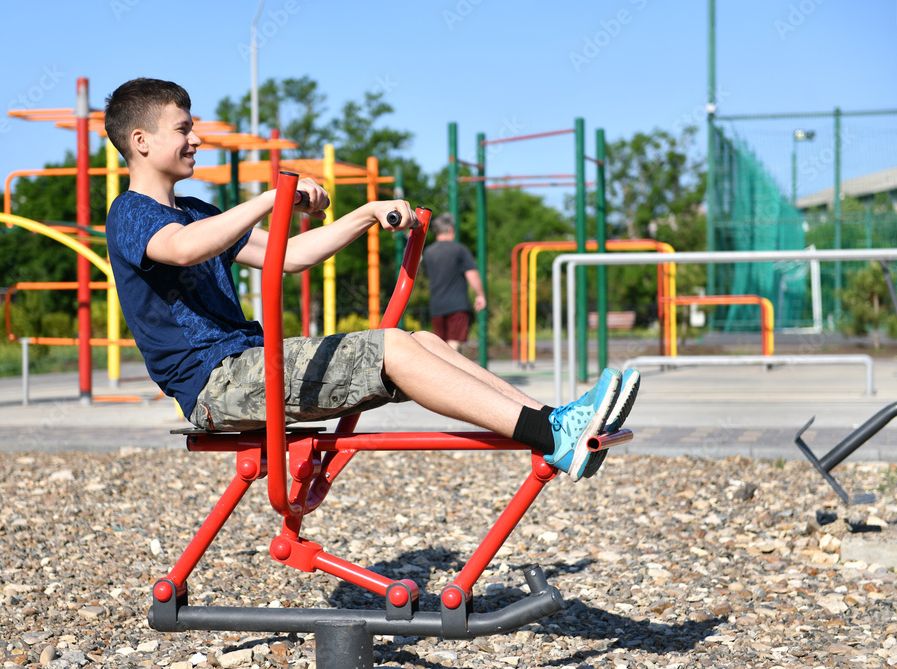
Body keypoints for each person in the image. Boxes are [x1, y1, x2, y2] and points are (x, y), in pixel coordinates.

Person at [103, 78, 640, 482]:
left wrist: (362, 215)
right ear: (141, 141)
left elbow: (288, 254)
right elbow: (180, 248)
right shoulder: (131, 213)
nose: (196, 138)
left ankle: (555, 421)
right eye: (183, 129)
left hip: (245, 365)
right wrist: (273, 197)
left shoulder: (199, 211)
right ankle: (555, 438)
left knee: (421, 341)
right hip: (213, 384)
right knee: (389, 348)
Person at [421, 212, 485, 352]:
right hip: (457, 305)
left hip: (436, 305)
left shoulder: (428, 252)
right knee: (453, 345)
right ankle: (450, 373)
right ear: (450, 229)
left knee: (441, 346)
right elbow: (472, 273)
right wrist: (480, 294)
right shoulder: (460, 250)